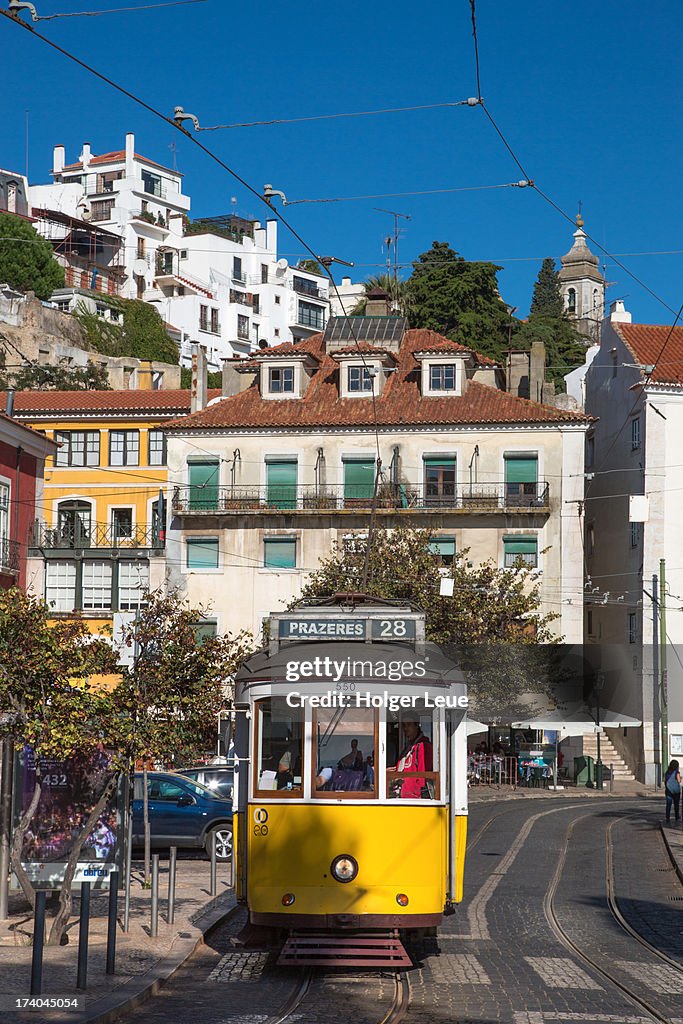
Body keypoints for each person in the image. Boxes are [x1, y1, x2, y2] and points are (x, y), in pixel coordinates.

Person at [392, 714, 433, 799]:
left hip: (415, 798)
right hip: (404, 796)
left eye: (409, 724)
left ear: (417, 725)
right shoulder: (408, 748)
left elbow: (423, 776)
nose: (406, 728)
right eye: (404, 725)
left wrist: (419, 796)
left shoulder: (423, 746)